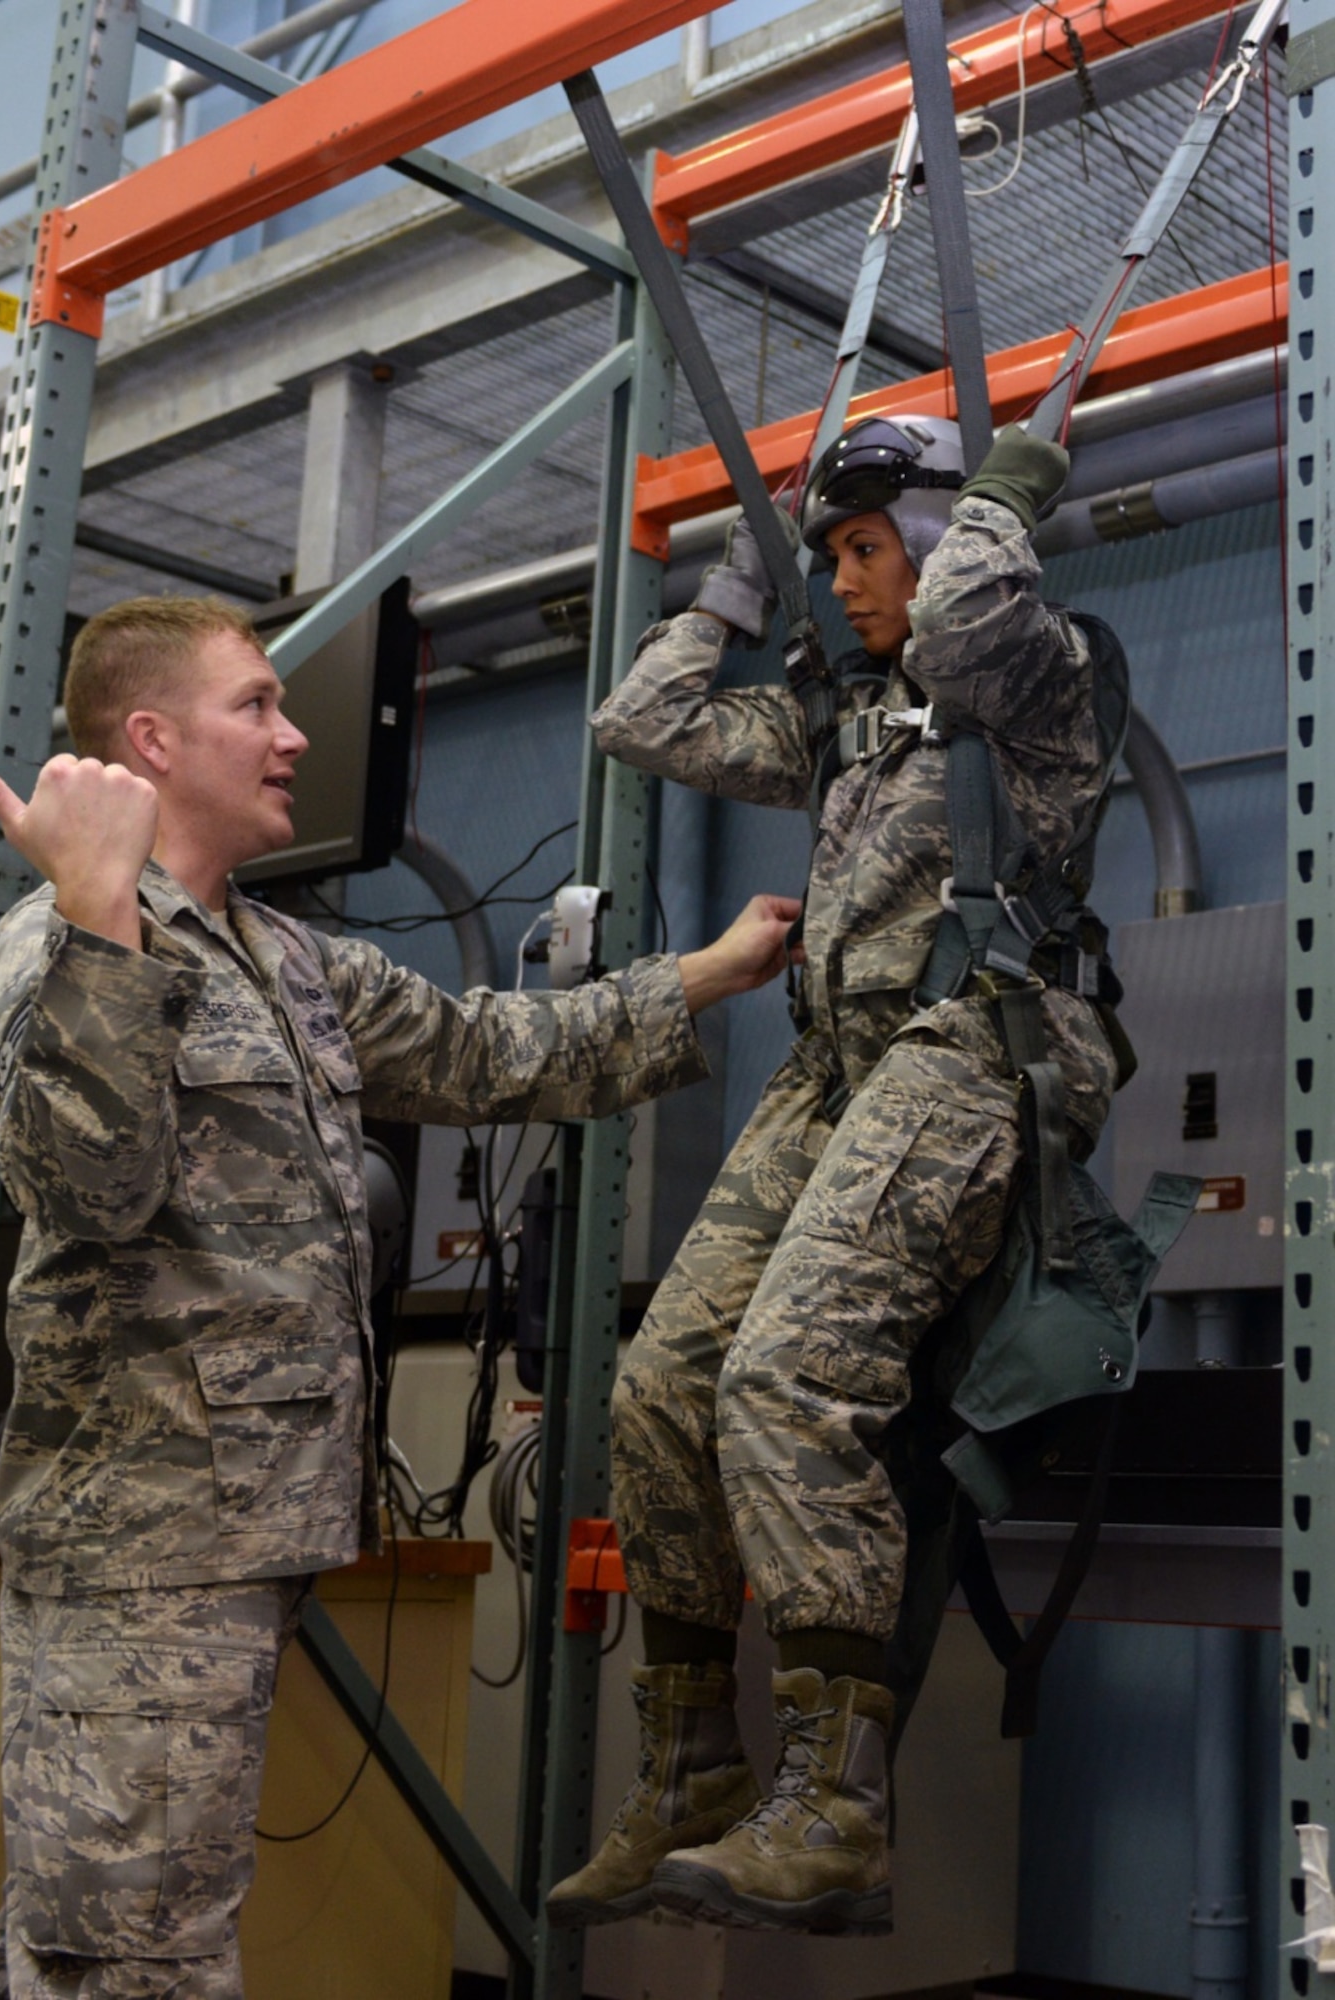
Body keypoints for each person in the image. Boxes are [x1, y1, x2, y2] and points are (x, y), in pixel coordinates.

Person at [0, 593, 799, 2000]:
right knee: (128, 1956)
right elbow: (86, 1191)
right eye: (258, 707)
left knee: (82, 1938)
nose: (293, 738)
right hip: (143, 1552)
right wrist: (103, 909)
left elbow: (485, 1052)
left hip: (239, 1532)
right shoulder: (59, 945)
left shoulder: (286, 959)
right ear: (151, 739)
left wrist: (705, 975)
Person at [545, 417, 1123, 1937]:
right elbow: (641, 721)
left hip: (969, 1041)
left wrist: (986, 503)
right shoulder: (857, 717)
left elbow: (965, 613)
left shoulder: (1036, 674)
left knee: (785, 1378)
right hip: (836, 1061)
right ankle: (692, 1771)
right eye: (838, 558)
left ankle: (838, 1806)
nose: (851, 586)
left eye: (869, 551)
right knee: (662, 1382)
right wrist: (737, 582)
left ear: (936, 545)